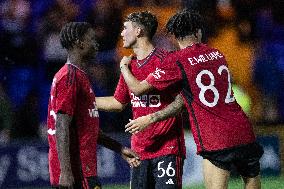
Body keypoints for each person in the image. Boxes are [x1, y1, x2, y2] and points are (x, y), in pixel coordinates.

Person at [120, 10, 263, 189]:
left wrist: (124, 67)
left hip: (215, 137)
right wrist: (153, 118)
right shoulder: (217, 54)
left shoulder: (176, 61)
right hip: (243, 129)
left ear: (175, 36)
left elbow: (137, 88)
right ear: (198, 32)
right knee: (252, 181)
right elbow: (187, 97)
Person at [96, 11, 186, 189]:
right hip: (139, 152)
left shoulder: (166, 61)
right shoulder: (131, 66)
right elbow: (118, 102)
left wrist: (123, 68)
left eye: (125, 28)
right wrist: (86, 101)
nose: (121, 33)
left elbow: (178, 101)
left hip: (167, 148)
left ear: (138, 31)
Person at [46, 22, 140, 189]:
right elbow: (61, 125)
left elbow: (87, 128)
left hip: (84, 170)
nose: (96, 44)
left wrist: (119, 148)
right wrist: (66, 172)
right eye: (92, 39)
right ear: (79, 43)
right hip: (77, 172)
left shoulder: (78, 76)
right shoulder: (69, 77)